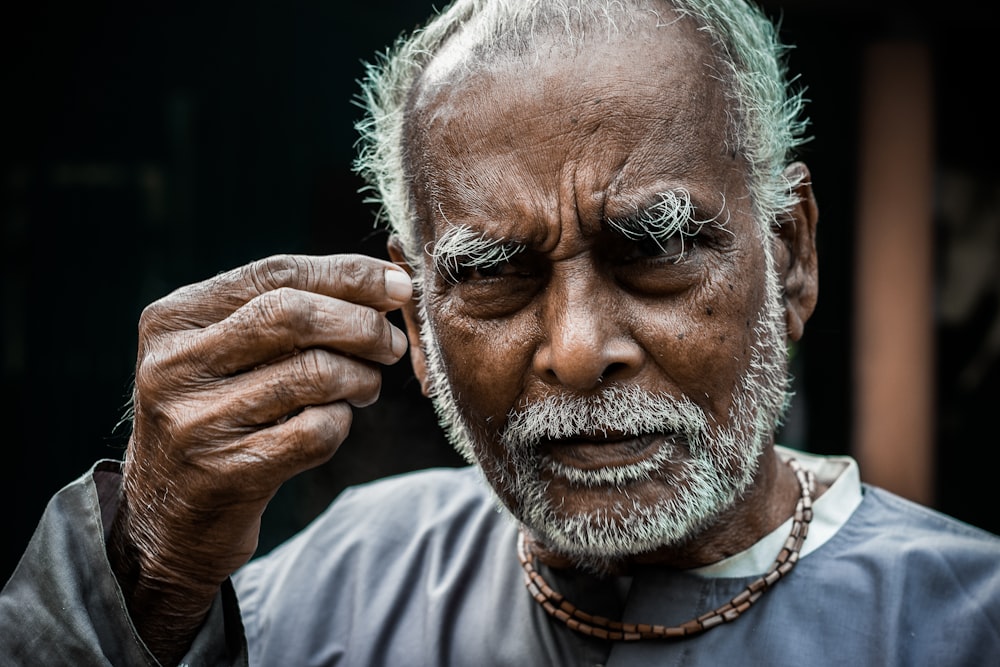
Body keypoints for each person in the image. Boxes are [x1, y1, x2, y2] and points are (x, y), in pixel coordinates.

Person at [3, 0, 999, 664]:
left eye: (651, 251)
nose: (573, 348)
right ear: (417, 319)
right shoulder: (337, 586)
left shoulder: (966, 619)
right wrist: (144, 571)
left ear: (788, 254)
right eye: (490, 276)